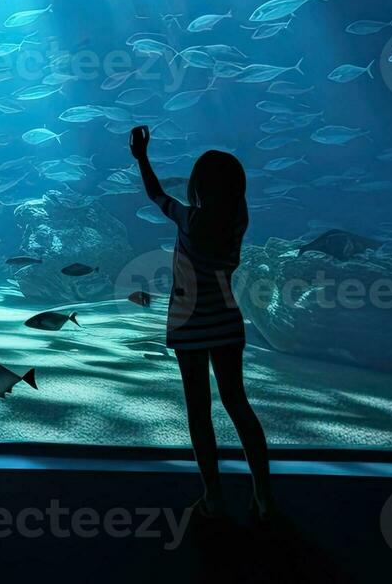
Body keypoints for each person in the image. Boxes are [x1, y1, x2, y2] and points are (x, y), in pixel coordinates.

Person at [130, 125, 274, 520]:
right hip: (227, 321)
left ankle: (212, 496)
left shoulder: (189, 221)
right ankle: (264, 495)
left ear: (198, 188)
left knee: (199, 410)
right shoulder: (237, 222)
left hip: (189, 322)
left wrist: (141, 157)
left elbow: (156, 195)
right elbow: (230, 199)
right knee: (238, 403)